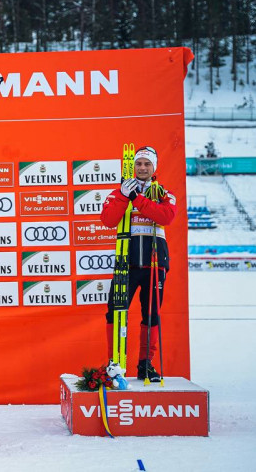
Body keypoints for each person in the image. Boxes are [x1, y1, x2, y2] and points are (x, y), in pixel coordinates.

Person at [100, 146, 177, 382]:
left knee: (151, 314)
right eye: (139, 164)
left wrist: (138, 199)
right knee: (114, 311)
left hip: (155, 264)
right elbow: (108, 220)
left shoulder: (164, 193)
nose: (142, 168)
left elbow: (166, 217)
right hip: (127, 263)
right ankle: (115, 362)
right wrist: (125, 196)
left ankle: (146, 364)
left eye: (147, 164)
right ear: (132, 167)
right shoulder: (119, 192)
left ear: (154, 168)